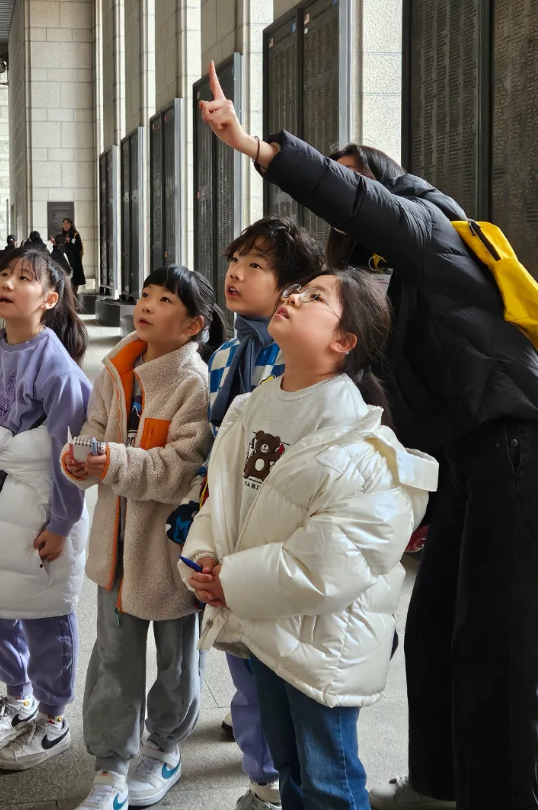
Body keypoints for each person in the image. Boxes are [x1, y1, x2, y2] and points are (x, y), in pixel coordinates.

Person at [198, 60, 538, 810]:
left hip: (511, 445)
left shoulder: (432, 227)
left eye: (350, 180)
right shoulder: (376, 279)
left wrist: (257, 147)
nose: (342, 198)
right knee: (433, 634)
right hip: (460, 460)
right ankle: (438, 783)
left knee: (497, 647)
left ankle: (499, 796)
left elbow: (357, 197)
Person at [182, 268, 438, 810]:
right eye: (298, 288)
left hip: (325, 644)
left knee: (329, 782)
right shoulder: (254, 403)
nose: (295, 295)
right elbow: (224, 494)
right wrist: (207, 557)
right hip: (266, 626)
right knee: (291, 770)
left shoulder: (363, 445)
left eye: (315, 296)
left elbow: (328, 564)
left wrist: (231, 580)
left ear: (344, 342)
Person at [166, 216, 323, 810]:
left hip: (273, 525)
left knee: (269, 655)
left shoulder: (296, 361)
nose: (235, 272)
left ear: (290, 287)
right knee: (237, 647)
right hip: (221, 515)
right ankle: (264, 766)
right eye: (235, 260)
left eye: (255, 265)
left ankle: (270, 779)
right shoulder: (227, 350)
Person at [62, 265, 224, 810]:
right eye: (147, 294)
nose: (147, 304)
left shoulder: (192, 383)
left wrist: (113, 460)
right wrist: (81, 459)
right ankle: (109, 766)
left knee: (177, 658)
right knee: (113, 658)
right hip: (114, 550)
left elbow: (180, 467)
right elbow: (93, 430)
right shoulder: (118, 367)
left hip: (168, 554)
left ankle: (165, 746)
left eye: (164, 300)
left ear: (193, 325)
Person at [0, 247, 91, 771]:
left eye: (24, 277)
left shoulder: (58, 368)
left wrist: (61, 524)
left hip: (44, 506)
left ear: (49, 300)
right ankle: (18, 694)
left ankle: (53, 718)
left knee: (47, 610)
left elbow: (70, 456)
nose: (7, 281)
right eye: (4, 273)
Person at [56, 218, 85, 295]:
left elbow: (78, 247)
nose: (65, 225)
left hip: (75, 262)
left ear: (71, 224)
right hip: (67, 262)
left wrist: (71, 241)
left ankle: (74, 300)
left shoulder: (75, 234)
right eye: (64, 223)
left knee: (74, 283)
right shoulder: (64, 235)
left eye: (67, 223)